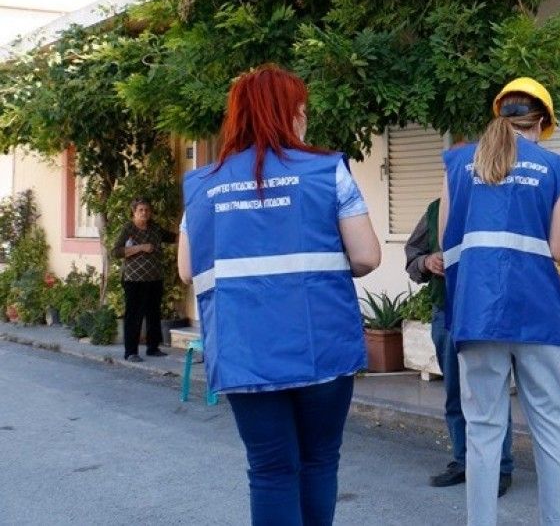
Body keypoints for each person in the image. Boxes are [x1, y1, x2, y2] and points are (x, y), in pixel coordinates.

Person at [177, 63, 380, 525]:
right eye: (302, 108)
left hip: (244, 353)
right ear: (291, 115)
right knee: (318, 460)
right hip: (320, 349)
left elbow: (188, 269)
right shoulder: (328, 172)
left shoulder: (203, 185)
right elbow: (367, 256)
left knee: (269, 471)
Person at [439, 77, 560, 526]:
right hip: (537, 313)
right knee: (550, 430)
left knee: (482, 432)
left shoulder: (457, 163)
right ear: (541, 124)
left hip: (475, 313)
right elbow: (557, 250)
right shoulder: (555, 167)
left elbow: (446, 241)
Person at [404, 198, 515, 496]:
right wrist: (427, 262)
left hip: (488, 312)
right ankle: (463, 462)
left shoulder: (497, 205)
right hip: (447, 310)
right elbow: (412, 257)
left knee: (489, 393)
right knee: (455, 393)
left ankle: (499, 468)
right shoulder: (435, 210)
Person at [112, 197, 175, 362]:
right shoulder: (128, 229)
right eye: (141, 210)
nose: (144, 213)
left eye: (147, 210)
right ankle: (131, 352)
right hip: (134, 279)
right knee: (134, 315)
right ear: (134, 212)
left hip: (154, 278)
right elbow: (116, 251)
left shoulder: (155, 228)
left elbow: (174, 238)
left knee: (153, 313)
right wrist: (140, 247)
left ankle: (153, 347)